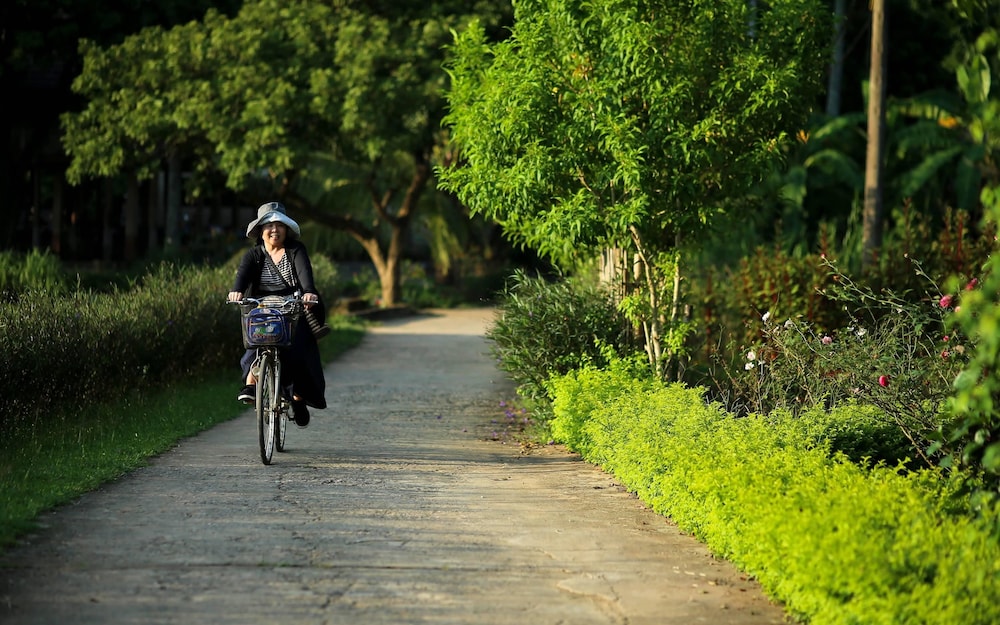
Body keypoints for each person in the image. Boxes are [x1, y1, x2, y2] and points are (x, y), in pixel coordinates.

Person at [227, 201, 327, 427]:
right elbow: (241, 278)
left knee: (299, 353)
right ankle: (251, 385)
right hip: (262, 309)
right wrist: (236, 291)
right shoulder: (253, 255)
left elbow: (305, 275)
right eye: (269, 225)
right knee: (254, 342)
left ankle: (298, 399)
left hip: (293, 309)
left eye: (279, 225)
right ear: (260, 230)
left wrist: (308, 293)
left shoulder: (296, 250)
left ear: (286, 229)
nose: (275, 229)